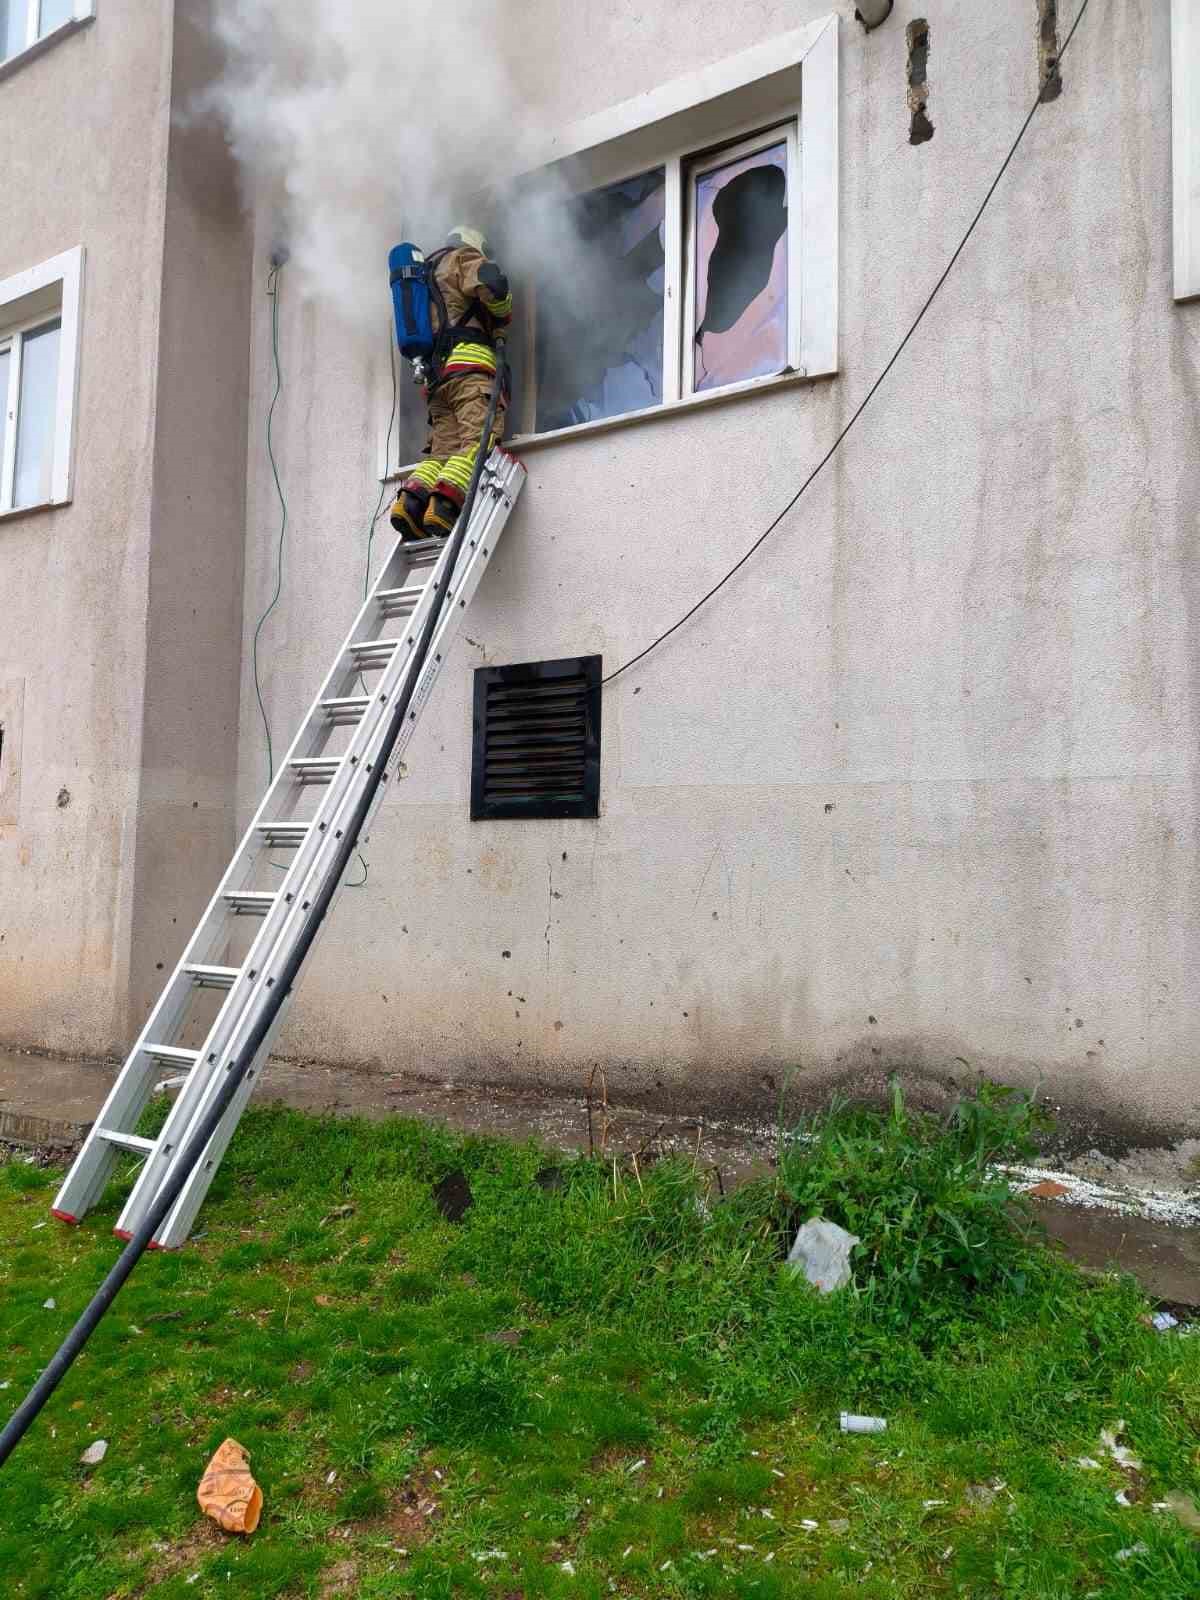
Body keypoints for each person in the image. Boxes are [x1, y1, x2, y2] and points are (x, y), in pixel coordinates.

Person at [390, 225, 513, 541]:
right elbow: (492, 285)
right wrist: (503, 311)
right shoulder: (462, 257)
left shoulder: (424, 276)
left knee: (442, 453)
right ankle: (444, 505)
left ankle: (411, 503)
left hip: (437, 381)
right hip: (471, 371)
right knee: (477, 440)